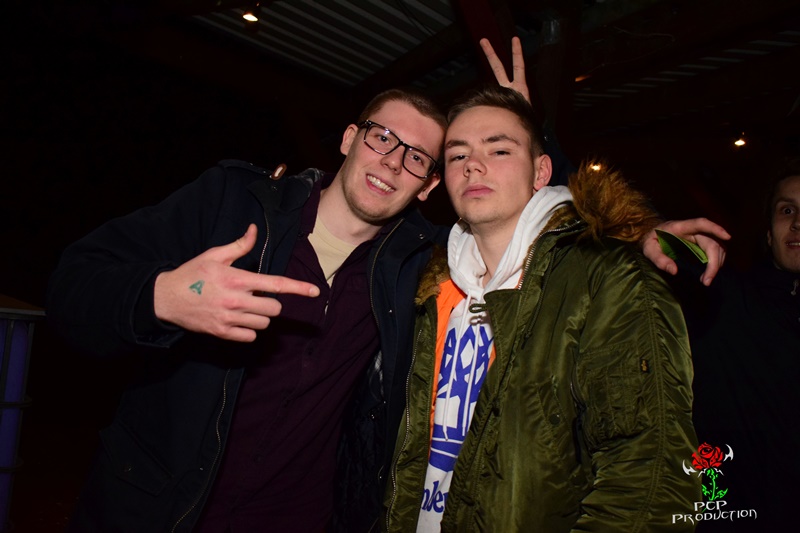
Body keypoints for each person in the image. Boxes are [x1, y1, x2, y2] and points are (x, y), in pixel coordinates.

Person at [46, 40, 723, 532]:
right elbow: (73, 285)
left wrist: (626, 229)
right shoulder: (233, 204)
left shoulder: (415, 265)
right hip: (158, 512)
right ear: (349, 137)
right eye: (381, 138)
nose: (392, 161)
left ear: (427, 184)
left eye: (419, 156)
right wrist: (161, 297)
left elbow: (527, 222)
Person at [383, 85, 701, 532]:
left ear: (541, 171)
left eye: (499, 149)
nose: (474, 164)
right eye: (458, 155)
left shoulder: (605, 277)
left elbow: (649, 474)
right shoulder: (433, 288)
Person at [683, 158, 800, 531]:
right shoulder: (725, 300)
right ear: (768, 234)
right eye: (787, 210)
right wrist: (653, 236)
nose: (798, 222)